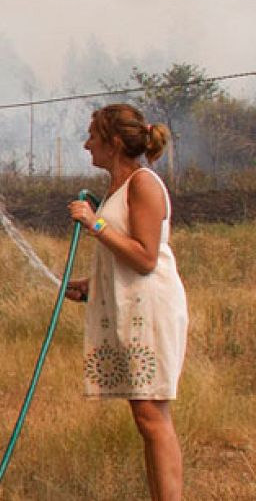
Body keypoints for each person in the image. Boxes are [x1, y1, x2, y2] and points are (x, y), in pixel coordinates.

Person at [65, 103, 188, 501]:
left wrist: (94, 223)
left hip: (152, 309)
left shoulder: (144, 184)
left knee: (153, 417)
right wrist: (93, 285)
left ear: (115, 143)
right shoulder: (119, 188)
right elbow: (125, 257)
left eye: (93, 137)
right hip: (132, 307)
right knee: (145, 416)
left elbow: (146, 257)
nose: (87, 145)